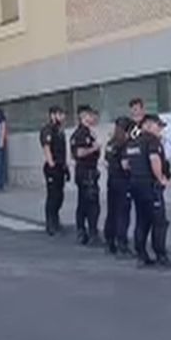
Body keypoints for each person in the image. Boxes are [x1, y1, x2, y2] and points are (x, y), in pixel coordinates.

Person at [126, 114, 171, 268]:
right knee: (159, 222)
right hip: (150, 186)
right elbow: (155, 160)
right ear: (147, 124)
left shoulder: (133, 142)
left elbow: (126, 164)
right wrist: (161, 179)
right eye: (158, 126)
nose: (160, 129)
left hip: (135, 185)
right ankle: (161, 255)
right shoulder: (152, 141)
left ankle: (141, 255)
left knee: (142, 221)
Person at [71, 105, 102, 245]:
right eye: (90, 115)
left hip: (90, 171)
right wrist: (94, 148)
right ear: (83, 117)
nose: (93, 118)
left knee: (85, 203)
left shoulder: (89, 132)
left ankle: (84, 231)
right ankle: (90, 233)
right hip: (85, 172)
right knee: (90, 204)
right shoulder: (80, 134)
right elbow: (79, 153)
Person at [103, 117, 134, 256]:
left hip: (112, 180)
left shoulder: (111, 143)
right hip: (123, 181)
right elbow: (125, 165)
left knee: (112, 212)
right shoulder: (125, 144)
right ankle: (122, 244)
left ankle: (110, 241)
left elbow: (105, 162)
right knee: (123, 214)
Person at [40, 106, 68, 235]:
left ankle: (56, 219)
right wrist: (52, 164)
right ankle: (50, 223)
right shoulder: (48, 130)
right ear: (53, 115)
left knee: (59, 196)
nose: (62, 117)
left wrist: (65, 167)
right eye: (60, 114)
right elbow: (46, 147)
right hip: (52, 167)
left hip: (60, 166)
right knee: (52, 196)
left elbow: (63, 151)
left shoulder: (60, 131)